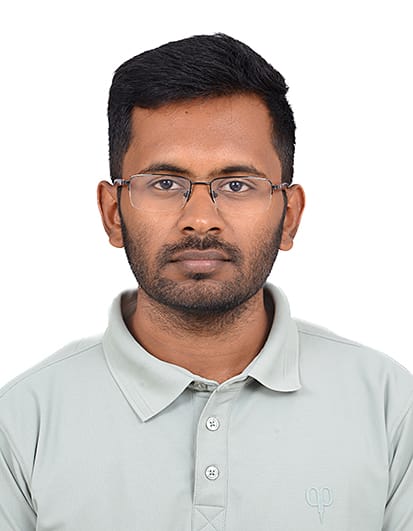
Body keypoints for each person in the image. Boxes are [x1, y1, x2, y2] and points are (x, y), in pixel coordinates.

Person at [0, 33, 412, 531]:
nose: (200, 219)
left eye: (237, 185)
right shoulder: (21, 421)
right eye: (165, 183)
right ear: (112, 214)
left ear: (289, 216)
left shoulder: (390, 407)